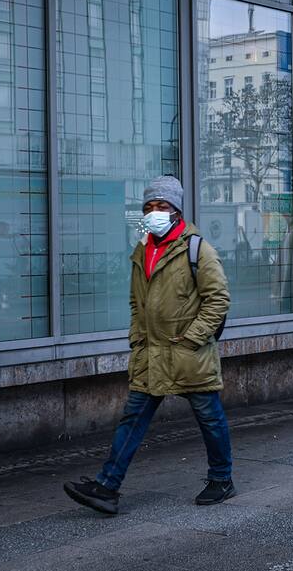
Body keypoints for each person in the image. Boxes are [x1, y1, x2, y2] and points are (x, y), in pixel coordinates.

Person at [64, 176, 234, 514]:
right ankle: (107, 487)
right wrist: (137, 339)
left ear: (176, 211)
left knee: (210, 418)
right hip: (151, 354)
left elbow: (218, 300)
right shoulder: (143, 250)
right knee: (134, 417)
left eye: (162, 206)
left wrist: (191, 339)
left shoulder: (198, 249)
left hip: (189, 354)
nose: (154, 211)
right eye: (149, 207)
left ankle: (222, 479)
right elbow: (136, 302)